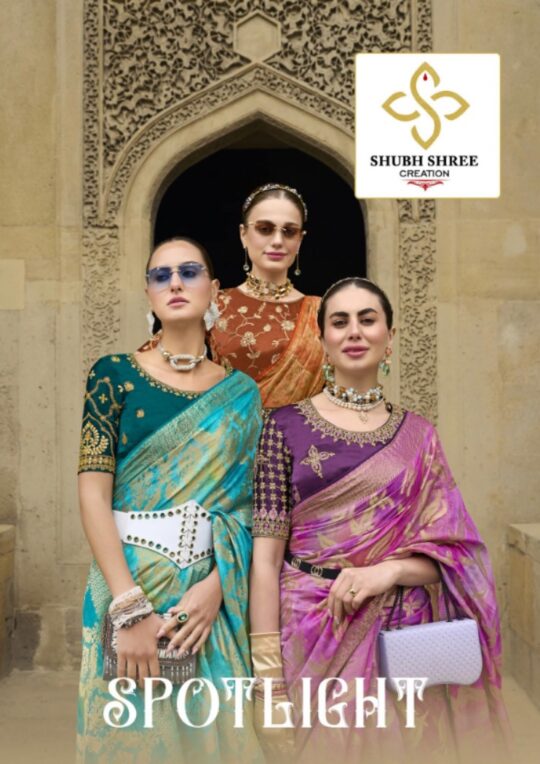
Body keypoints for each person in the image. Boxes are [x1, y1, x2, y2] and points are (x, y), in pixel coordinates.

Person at [249, 277, 510, 764]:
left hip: (399, 636)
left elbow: (456, 554)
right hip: (307, 633)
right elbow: (264, 562)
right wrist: (267, 682)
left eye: (367, 320)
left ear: (389, 336)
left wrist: (387, 572)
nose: (354, 331)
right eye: (340, 321)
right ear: (322, 339)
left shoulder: (419, 436)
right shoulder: (282, 428)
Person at [76, 237, 264, 763]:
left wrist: (216, 589)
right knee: (131, 739)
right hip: (127, 584)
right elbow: (92, 492)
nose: (175, 283)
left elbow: (250, 508)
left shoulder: (242, 394)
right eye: (161, 275)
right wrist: (128, 607)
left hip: (207, 601)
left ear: (215, 290)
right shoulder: (112, 375)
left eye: (189, 272)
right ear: (148, 293)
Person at [209, 183, 324, 407]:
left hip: (299, 430)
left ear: (300, 239)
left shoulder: (321, 312)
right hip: (224, 428)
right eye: (265, 229)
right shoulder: (214, 304)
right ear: (243, 234)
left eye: (289, 231)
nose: (278, 241)